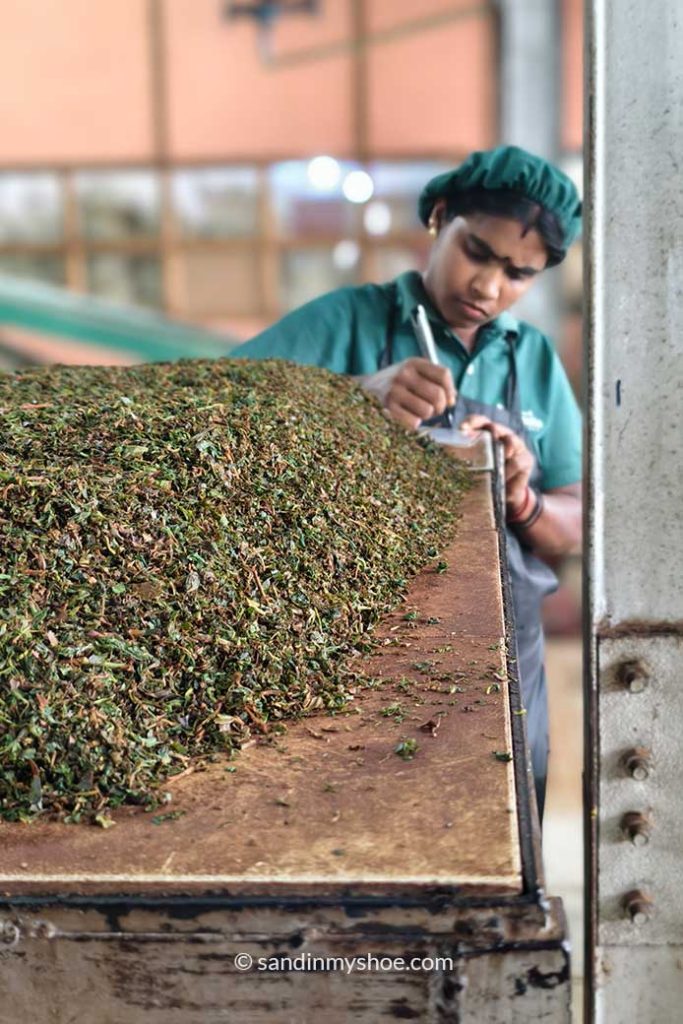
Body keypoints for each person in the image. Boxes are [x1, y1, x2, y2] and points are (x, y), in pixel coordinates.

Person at [233, 145, 582, 821]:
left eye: (518, 274)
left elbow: (573, 515)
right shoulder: (349, 322)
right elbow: (225, 404)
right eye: (476, 251)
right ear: (440, 218)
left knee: (501, 821)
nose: (488, 286)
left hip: (504, 655)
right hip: (358, 642)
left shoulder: (531, 359)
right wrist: (355, 396)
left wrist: (522, 498)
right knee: (361, 818)